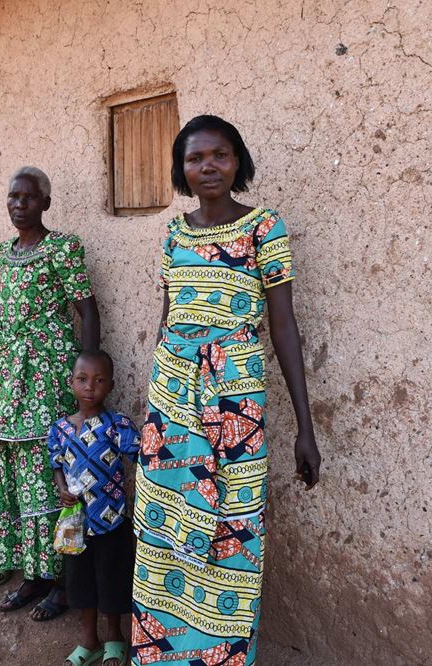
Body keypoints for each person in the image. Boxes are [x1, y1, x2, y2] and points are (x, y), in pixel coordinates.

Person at [131, 115, 321, 665]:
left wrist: (305, 430)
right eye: (195, 158)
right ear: (181, 169)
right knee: (166, 527)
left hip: (235, 399)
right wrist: (156, 410)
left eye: (219, 155)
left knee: (231, 529)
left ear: (238, 162)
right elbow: (169, 317)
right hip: (171, 399)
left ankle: (220, 656)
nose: (207, 166)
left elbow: (283, 326)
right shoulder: (174, 232)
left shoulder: (265, 227)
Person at [0, 166, 101, 621]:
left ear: (45, 204)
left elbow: (87, 310)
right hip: (10, 375)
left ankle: (64, 581)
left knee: (54, 472)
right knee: (16, 470)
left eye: (29, 198)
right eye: (13, 196)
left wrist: (88, 378)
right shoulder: (3, 253)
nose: (19, 204)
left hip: (49, 373)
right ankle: (34, 572)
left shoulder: (62, 248)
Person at [48, 351, 139, 666]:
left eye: (99, 381)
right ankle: (89, 639)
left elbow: (140, 458)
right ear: (71, 382)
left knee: (111, 579)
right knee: (81, 581)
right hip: (76, 523)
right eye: (83, 380)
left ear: (111, 386)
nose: (90, 387)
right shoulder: (61, 429)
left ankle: (115, 635)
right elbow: (56, 464)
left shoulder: (118, 426)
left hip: (111, 521)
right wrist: (61, 489)